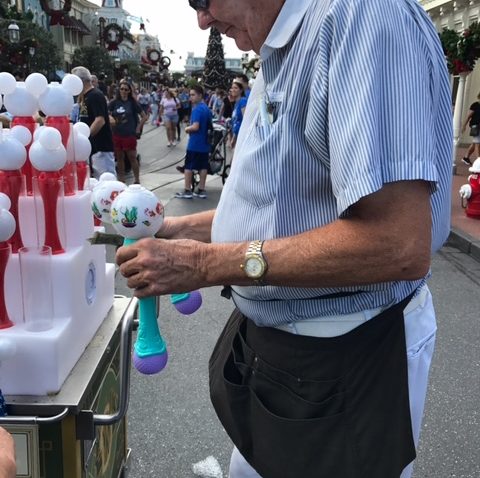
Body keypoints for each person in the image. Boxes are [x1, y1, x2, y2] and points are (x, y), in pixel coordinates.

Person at [115, 0, 452, 477]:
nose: (201, 19)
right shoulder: (286, 43)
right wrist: (178, 230)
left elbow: (397, 243)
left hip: (343, 357)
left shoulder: (360, 14)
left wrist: (206, 265)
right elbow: (277, 208)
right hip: (295, 358)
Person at [72, 66, 116, 179]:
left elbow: (100, 120)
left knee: (105, 179)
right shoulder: (85, 97)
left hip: (101, 146)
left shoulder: (95, 95)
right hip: (93, 148)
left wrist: (86, 137)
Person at [174, 85, 212, 199]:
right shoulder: (206, 108)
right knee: (203, 167)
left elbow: (195, 127)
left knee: (188, 167)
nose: (191, 97)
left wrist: (187, 129)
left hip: (195, 144)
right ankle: (201, 189)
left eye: (193, 95)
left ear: (200, 95)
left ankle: (187, 190)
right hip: (205, 143)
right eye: (190, 95)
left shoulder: (197, 109)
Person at [108, 81, 147, 184]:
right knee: (119, 158)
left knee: (132, 157)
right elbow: (106, 113)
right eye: (122, 89)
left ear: (129, 91)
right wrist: (110, 118)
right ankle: (121, 179)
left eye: (126, 89)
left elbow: (144, 116)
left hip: (129, 134)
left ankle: (137, 179)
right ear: (119, 90)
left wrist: (138, 127)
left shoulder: (132, 103)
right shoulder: (114, 102)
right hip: (117, 133)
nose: (123, 91)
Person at [461, 92, 480, 166]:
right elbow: (469, 116)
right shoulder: (475, 105)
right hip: (476, 126)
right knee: (477, 144)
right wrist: (464, 126)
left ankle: (466, 157)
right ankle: (478, 161)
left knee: (475, 143)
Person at [229, 81, 247, 148]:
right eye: (232, 88)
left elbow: (245, 119)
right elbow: (236, 121)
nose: (233, 90)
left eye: (236, 88)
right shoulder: (236, 103)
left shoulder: (243, 101)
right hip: (236, 135)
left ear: (241, 90)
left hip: (241, 136)